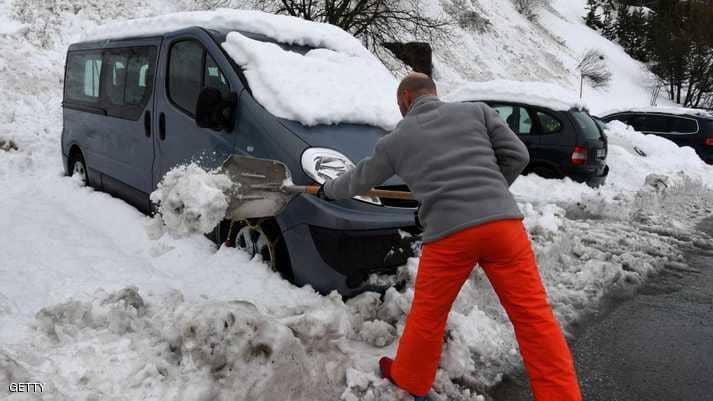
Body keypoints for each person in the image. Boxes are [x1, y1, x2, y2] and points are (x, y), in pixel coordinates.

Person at [320, 72, 582, 401]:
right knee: (534, 317)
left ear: (405, 101)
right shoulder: (477, 112)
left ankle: (411, 378)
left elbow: (357, 181)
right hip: (503, 227)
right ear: (434, 93)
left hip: (449, 236)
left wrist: (327, 190)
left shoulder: (395, 140)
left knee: (428, 316)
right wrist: (490, 191)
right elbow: (518, 156)